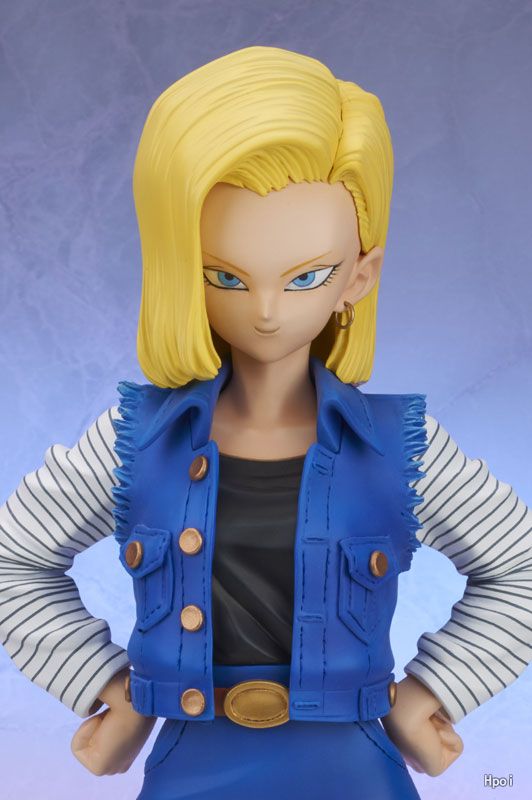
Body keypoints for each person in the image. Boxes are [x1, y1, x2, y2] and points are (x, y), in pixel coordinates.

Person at [1, 46, 531, 800]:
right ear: (181, 271)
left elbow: (520, 567)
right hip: (194, 760)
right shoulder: (135, 440)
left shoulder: (398, 448)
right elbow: (13, 558)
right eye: (226, 275)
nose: (268, 310)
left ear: (359, 275)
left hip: (351, 765)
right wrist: (107, 687)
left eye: (306, 275)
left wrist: (432, 692)